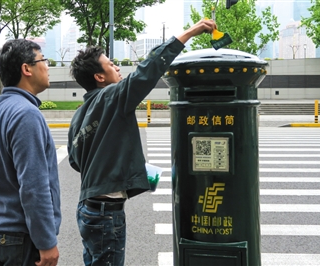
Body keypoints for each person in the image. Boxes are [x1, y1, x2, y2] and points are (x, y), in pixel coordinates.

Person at [67, 19, 217, 265]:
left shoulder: (79, 114)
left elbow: (75, 161)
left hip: (87, 209)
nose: (117, 68)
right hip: (106, 213)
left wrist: (120, 165)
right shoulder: (113, 97)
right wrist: (191, 31)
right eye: (111, 65)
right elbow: (148, 70)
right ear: (99, 76)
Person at [0, 39, 61, 266]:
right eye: (44, 60)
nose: (48, 67)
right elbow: (33, 185)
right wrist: (46, 241)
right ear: (27, 69)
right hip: (17, 239)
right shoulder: (26, 114)